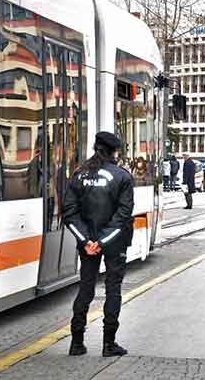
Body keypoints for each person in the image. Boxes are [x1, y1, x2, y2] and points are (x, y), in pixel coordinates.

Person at [63, 131, 134, 357]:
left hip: (87, 246)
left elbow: (69, 213)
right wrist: (102, 241)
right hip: (114, 244)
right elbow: (123, 216)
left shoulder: (79, 174)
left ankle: (76, 342)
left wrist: (87, 241)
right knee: (113, 289)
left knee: (85, 288)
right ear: (115, 151)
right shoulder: (122, 176)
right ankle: (108, 344)